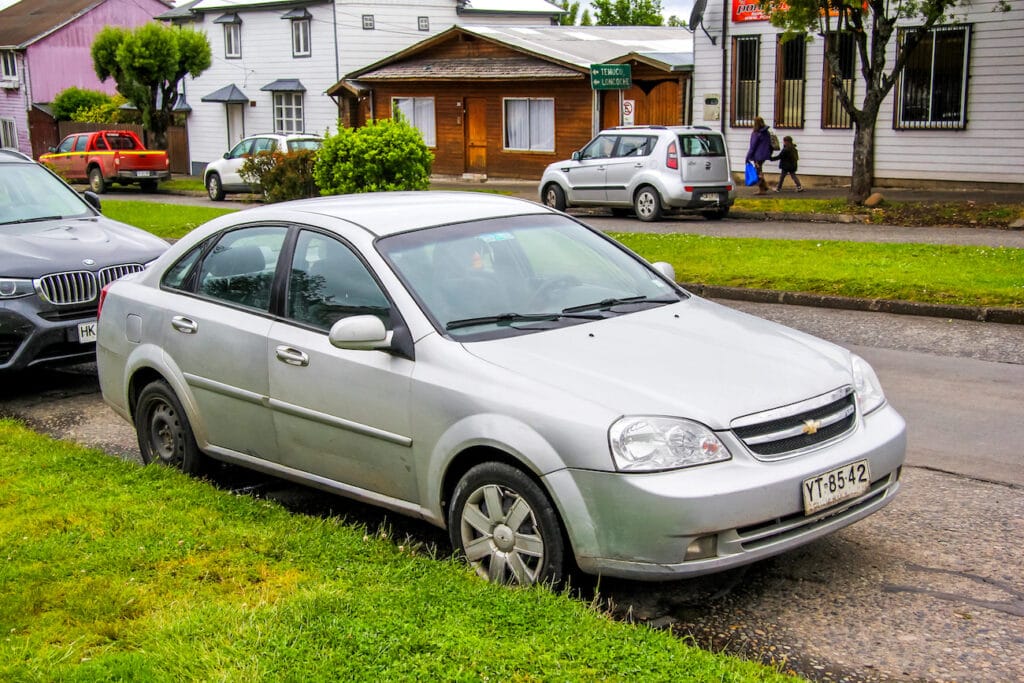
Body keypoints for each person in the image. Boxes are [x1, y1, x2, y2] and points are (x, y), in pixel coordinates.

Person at [744, 116, 773, 194]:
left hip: (757, 155)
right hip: (764, 154)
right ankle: (764, 186)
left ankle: (762, 189)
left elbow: (752, 146)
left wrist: (748, 157)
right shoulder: (766, 132)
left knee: (758, 172)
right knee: (759, 170)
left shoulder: (756, 133)